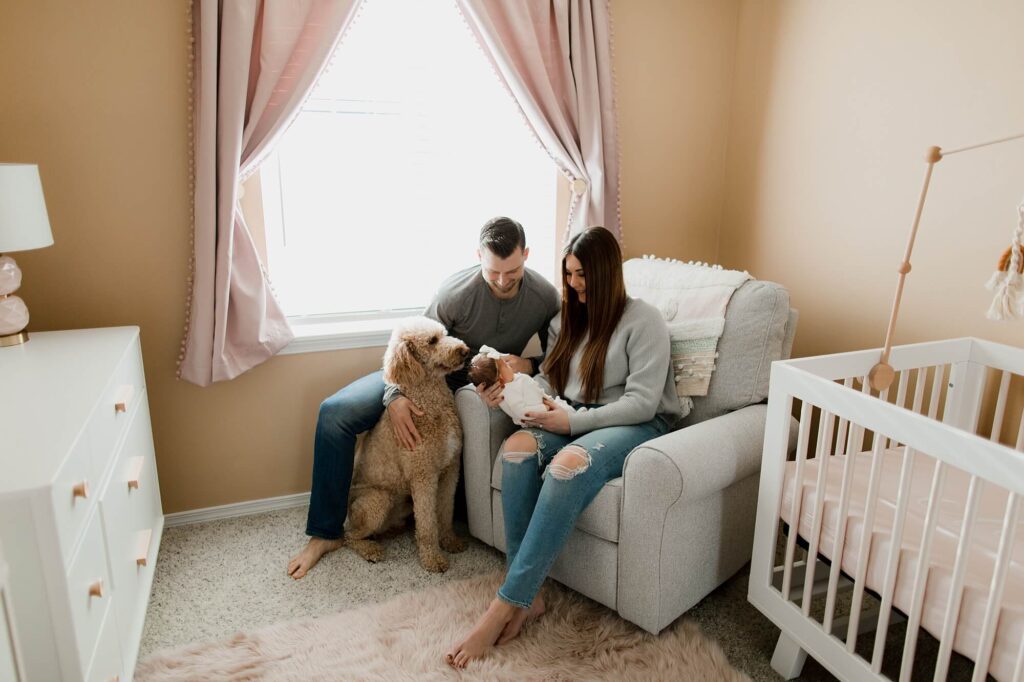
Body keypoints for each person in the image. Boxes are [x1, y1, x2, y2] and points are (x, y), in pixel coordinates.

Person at [445, 226, 683, 669]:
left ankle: (504, 603)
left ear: (606, 272)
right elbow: (550, 382)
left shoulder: (643, 321)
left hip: (638, 423)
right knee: (516, 450)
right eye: (569, 274)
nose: (573, 284)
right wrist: (507, 386)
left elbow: (643, 402)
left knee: (566, 467)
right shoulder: (565, 319)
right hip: (571, 412)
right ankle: (529, 600)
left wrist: (572, 421)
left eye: (582, 275)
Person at [288, 217, 561, 579]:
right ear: (478, 255)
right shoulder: (456, 294)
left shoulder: (545, 297)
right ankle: (323, 534)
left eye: (512, 271)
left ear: (526, 255)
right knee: (335, 413)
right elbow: (413, 344)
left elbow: (559, 356)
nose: (501, 281)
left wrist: (528, 362)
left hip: (470, 385)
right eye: (492, 271)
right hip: (423, 378)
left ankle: (440, 526)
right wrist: (395, 395)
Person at [466, 346, 579, 426]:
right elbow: (522, 412)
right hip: (542, 417)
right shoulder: (508, 393)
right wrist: (545, 408)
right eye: (505, 364)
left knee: (568, 411)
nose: (508, 363)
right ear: (500, 377)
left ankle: (579, 418)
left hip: (546, 401)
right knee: (568, 414)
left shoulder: (512, 379)